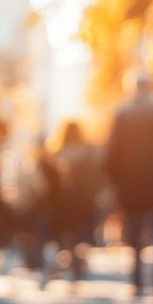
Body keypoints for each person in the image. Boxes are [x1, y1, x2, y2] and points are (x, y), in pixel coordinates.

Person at [105, 70, 153, 299]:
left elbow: (113, 152)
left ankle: (138, 276)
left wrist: (113, 181)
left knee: (135, 230)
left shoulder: (123, 113)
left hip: (130, 183)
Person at [41, 120, 101, 286]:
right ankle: (77, 267)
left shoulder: (55, 153)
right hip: (81, 202)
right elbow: (95, 178)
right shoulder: (87, 153)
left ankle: (51, 265)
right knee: (78, 236)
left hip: (59, 204)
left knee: (57, 236)